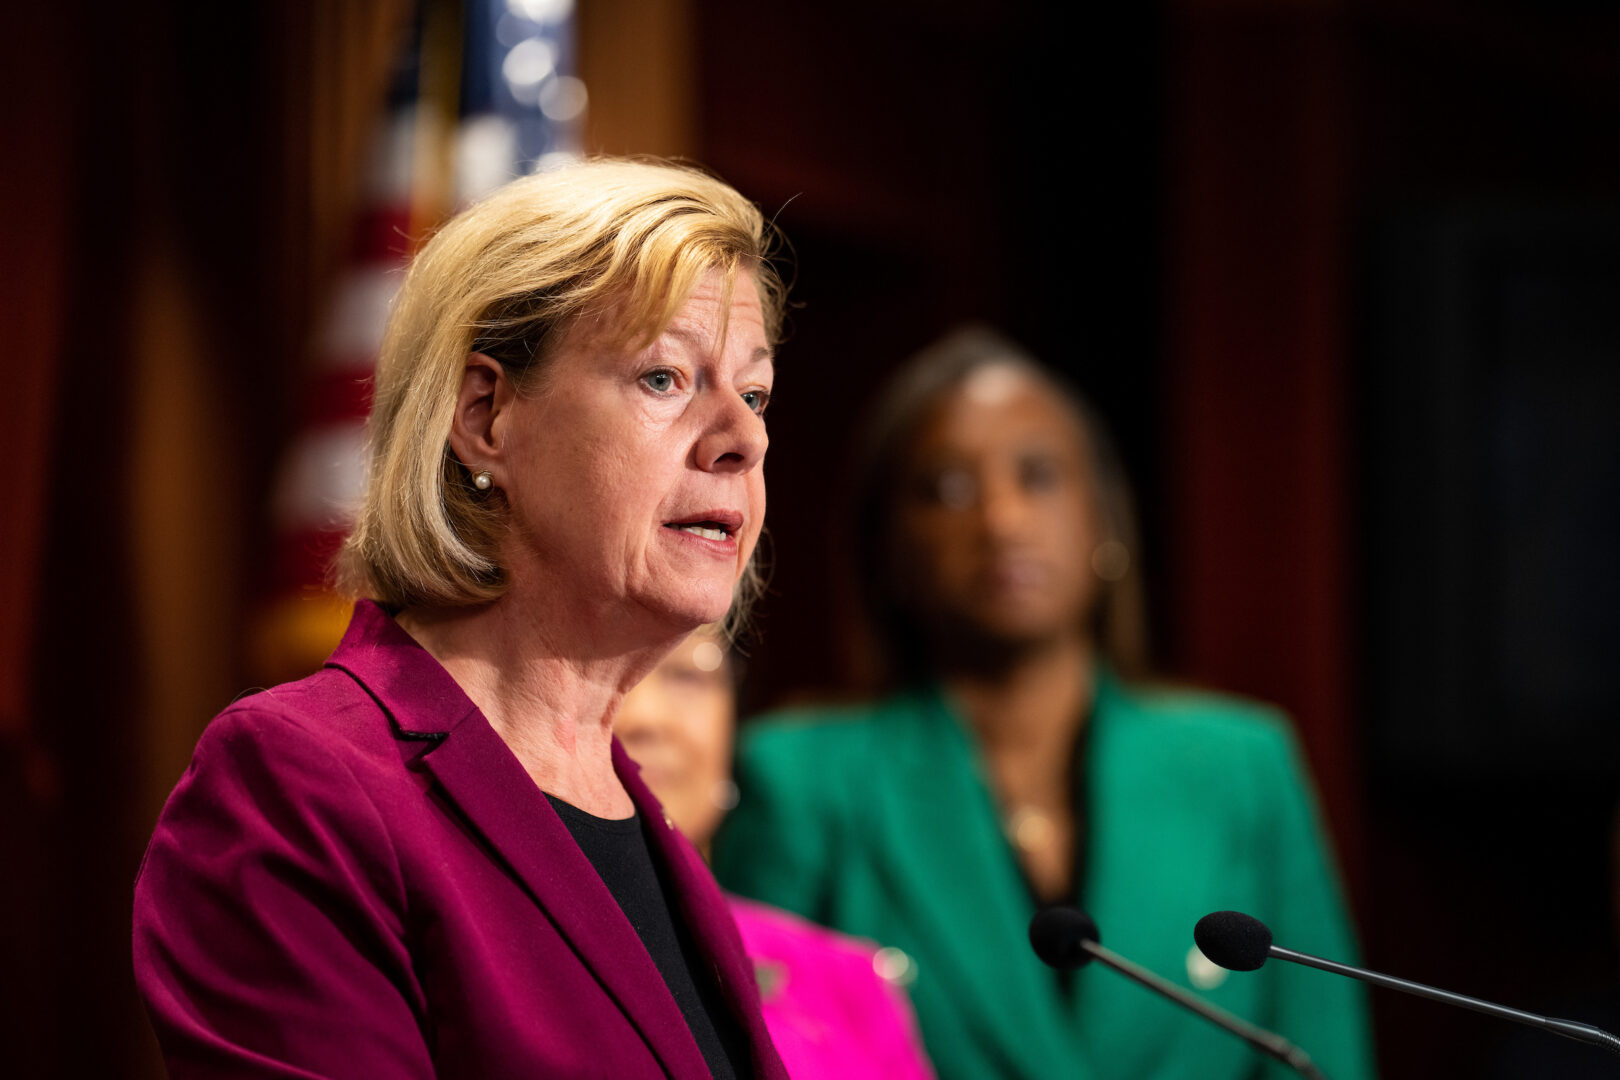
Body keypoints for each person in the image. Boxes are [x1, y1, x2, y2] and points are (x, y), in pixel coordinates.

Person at [132, 158, 791, 1079]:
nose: (745, 436)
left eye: (754, 393)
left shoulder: (650, 821)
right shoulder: (300, 785)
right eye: (665, 377)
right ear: (486, 416)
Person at [712, 326, 1378, 1080]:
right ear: (889, 550)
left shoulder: (1244, 766)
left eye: (1037, 476)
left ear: (1104, 520)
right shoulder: (798, 781)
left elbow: (1323, 1059)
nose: (1002, 521)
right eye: (948, 490)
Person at [615, 626, 936, 1080]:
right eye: (600, 674)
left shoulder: (846, 984)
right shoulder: (500, 965)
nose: (646, 718)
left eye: (688, 674)